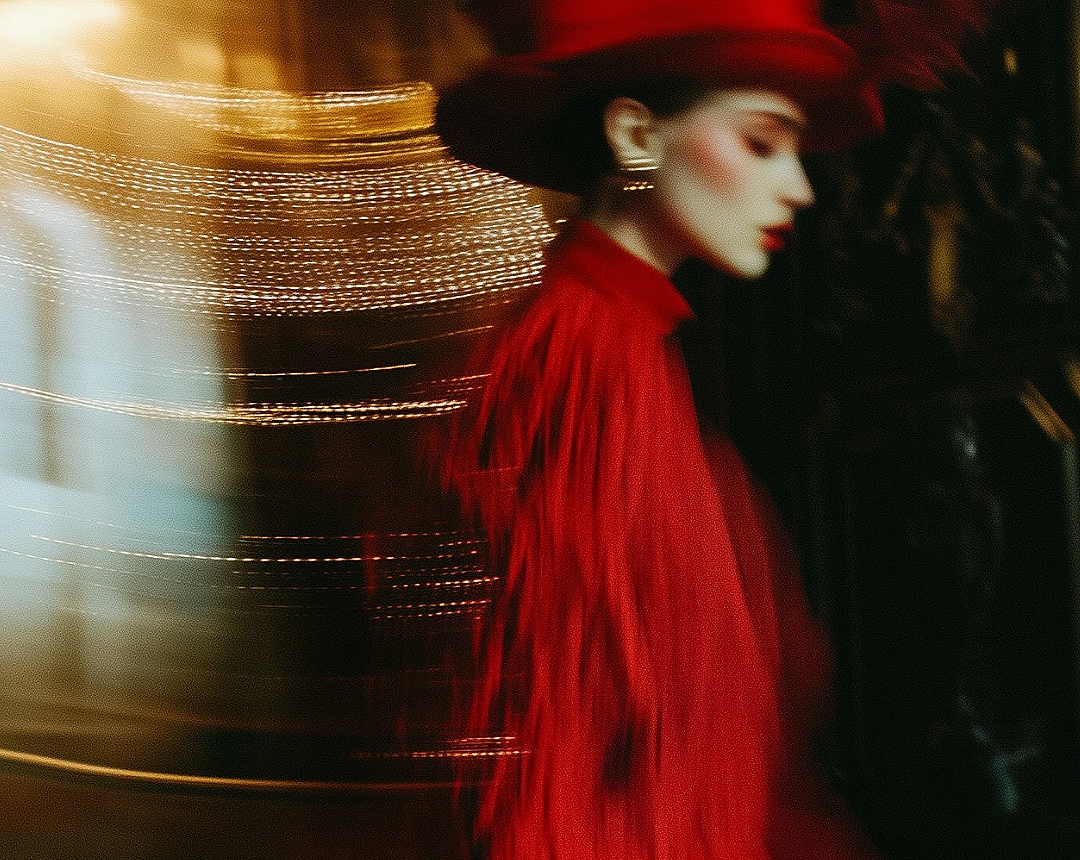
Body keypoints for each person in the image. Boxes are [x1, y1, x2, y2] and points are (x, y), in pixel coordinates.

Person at [432, 1, 980, 857]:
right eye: (762, 142)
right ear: (637, 137)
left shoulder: (620, 349)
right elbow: (569, 734)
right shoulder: (585, 370)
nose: (799, 185)